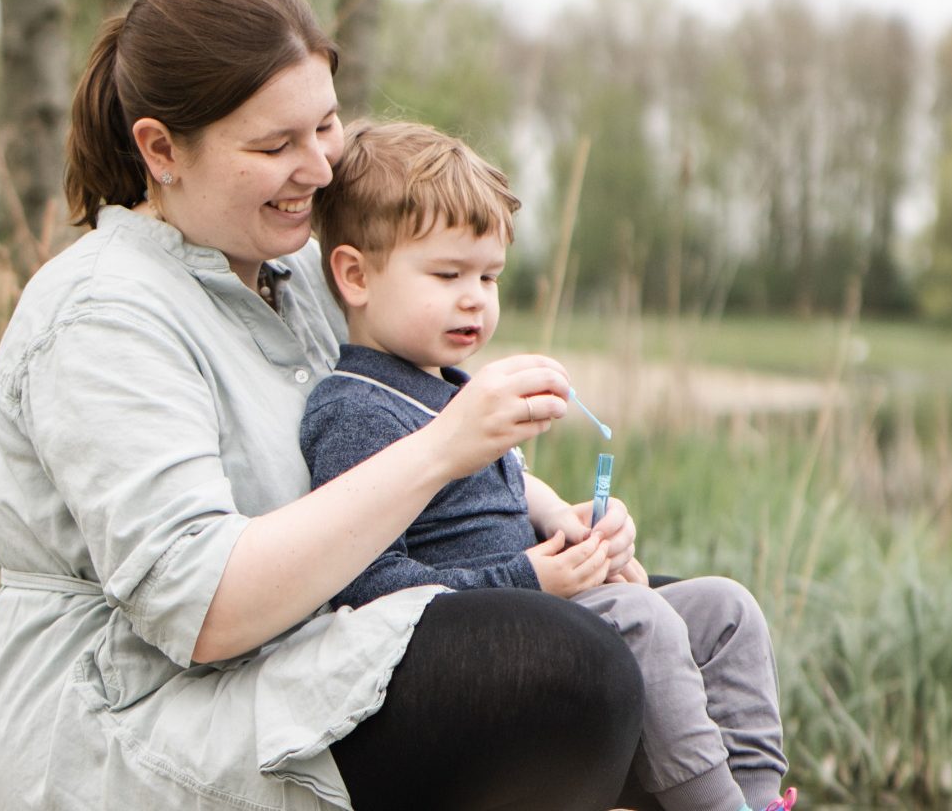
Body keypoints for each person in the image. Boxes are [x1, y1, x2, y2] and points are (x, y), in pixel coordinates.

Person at [0, 0, 650, 811]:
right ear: (159, 149)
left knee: (657, 623)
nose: (322, 169)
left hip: (313, 650)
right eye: (273, 146)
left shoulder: (300, 267)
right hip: (147, 721)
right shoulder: (100, 318)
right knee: (562, 669)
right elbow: (204, 611)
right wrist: (445, 448)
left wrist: (553, 516)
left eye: (325, 126)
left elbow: (391, 431)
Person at [300, 119, 795, 811]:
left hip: (540, 597)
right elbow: (369, 586)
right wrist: (530, 576)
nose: (475, 296)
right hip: (467, 646)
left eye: (489, 276)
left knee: (725, 610)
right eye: (447, 275)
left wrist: (568, 521)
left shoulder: (453, 386)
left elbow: (495, 486)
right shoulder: (356, 410)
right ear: (354, 274)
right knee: (636, 616)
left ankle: (757, 796)